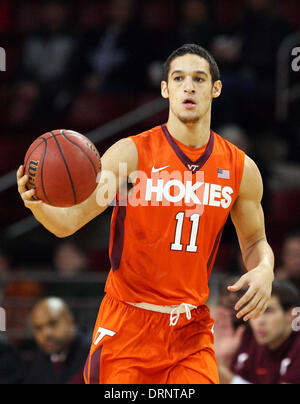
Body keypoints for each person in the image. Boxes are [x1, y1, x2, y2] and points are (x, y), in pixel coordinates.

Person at [17, 44, 274, 384]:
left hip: (190, 330)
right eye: (179, 78)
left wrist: (265, 270)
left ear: (216, 88)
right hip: (128, 325)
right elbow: (68, 223)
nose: (189, 86)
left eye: (199, 78)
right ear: (166, 89)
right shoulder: (130, 156)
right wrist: (37, 204)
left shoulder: (241, 168)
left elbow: (255, 241)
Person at [215, 280, 300, 384]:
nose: (259, 321)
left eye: (268, 311)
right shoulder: (248, 336)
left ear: (291, 315)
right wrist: (225, 359)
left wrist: (231, 381)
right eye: (253, 311)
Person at [23, 297, 90, 384]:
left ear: (70, 320)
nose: (46, 334)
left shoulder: (92, 353)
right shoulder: (41, 357)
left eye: (53, 323)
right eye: (39, 328)